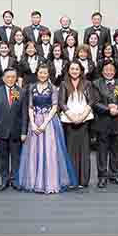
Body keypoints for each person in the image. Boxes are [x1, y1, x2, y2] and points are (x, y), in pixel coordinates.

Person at [17, 65, 78, 193]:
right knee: (34, 151)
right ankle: (34, 182)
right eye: (40, 72)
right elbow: (30, 107)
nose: (42, 75)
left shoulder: (53, 88)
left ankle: (50, 183)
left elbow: (54, 107)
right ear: (37, 73)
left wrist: (44, 123)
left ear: (48, 74)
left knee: (50, 151)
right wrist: (32, 123)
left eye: (45, 73)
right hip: (35, 121)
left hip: (49, 122)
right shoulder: (31, 87)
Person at [91, 60, 118, 188]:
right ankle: (102, 176)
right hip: (102, 122)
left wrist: (117, 107)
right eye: (106, 70)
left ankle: (115, 174)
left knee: (116, 151)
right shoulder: (96, 83)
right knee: (102, 151)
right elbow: (95, 102)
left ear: (115, 71)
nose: (109, 72)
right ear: (102, 71)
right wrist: (108, 109)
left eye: (111, 70)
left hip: (117, 122)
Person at [59, 60, 95, 189]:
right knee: (70, 150)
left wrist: (82, 116)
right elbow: (61, 102)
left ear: (81, 71)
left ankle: (83, 181)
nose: (74, 71)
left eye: (77, 69)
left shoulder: (87, 83)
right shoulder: (64, 84)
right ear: (68, 70)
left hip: (84, 121)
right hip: (69, 121)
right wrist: (72, 117)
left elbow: (91, 101)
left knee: (84, 151)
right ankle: (71, 180)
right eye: (72, 69)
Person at [0, 68, 26, 192]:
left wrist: (23, 132)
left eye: (13, 77)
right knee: (2, 158)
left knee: (16, 158)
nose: (10, 79)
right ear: (3, 78)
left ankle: (15, 180)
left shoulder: (21, 92)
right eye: (8, 77)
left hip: (16, 131)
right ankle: (4, 180)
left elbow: (24, 114)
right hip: (1, 132)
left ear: (16, 78)